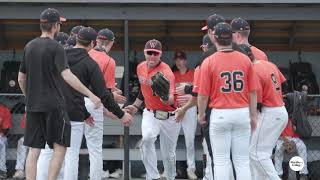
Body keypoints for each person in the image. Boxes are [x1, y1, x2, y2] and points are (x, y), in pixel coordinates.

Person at [17, 8, 101, 180]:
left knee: (34, 150)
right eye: (59, 24)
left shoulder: (29, 46)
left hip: (33, 105)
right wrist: (90, 94)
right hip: (54, 106)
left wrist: (28, 96)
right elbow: (67, 75)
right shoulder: (57, 47)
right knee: (60, 147)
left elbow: (20, 78)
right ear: (55, 26)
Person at [61, 26, 132, 180]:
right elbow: (103, 92)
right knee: (95, 150)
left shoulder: (62, 55)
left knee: (69, 152)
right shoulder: (99, 61)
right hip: (91, 103)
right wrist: (120, 114)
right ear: (93, 43)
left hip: (63, 105)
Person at [197, 22, 258, 180]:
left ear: (215, 39)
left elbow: (203, 95)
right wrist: (253, 115)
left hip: (220, 113)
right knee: (242, 161)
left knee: (221, 161)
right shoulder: (245, 59)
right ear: (232, 37)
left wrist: (201, 114)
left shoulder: (209, 61)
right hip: (242, 112)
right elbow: (253, 91)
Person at [125, 39, 180, 180]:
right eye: (149, 53)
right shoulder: (140, 67)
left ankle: (170, 177)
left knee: (168, 154)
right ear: (144, 53)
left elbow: (171, 99)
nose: (152, 56)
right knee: (147, 139)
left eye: (155, 53)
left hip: (170, 115)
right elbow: (143, 90)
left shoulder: (167, 72)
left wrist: (164, 97)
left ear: (160, 54)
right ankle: (153, 176)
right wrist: (136, 105)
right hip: (150, 113)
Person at [237, 44, 288, 180]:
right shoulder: (268, 64)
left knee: (256, 154)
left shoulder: (253, 70)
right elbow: (285, 84)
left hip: (269, 112)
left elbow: (257, 104)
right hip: (279, 111)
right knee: (257, 154)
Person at [88, 28, 126, 178]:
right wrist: (118, 110)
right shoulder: (109, 60)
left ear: (97, 41)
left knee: (70, 149)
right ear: (110, 43)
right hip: (95, 103)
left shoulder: (86, 54)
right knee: (95, 149)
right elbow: (107, 94)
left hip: (77, 102)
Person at [172, 50, 197, 179]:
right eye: (176, 59)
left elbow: (198, 93)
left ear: (185, 60)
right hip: (176, 108)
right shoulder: (173, 74)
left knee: (190, 140)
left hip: (190, 108)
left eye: (181, 59)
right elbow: (170, 94)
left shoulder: (193, 73)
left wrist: (189, 97)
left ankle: (191, 168)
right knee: (171, 140)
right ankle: (170, 169)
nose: (179, 62)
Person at [12, 113, 28, 179]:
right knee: (22, 141)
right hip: (34, 136)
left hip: (46, 137)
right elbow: (27, 128)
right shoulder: (29, 110)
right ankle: (20, 170)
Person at [0, 103, 12, 178]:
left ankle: (2, 170)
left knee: (1, 142)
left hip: (0, 135)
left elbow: (6, 129)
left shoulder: (4, 110)